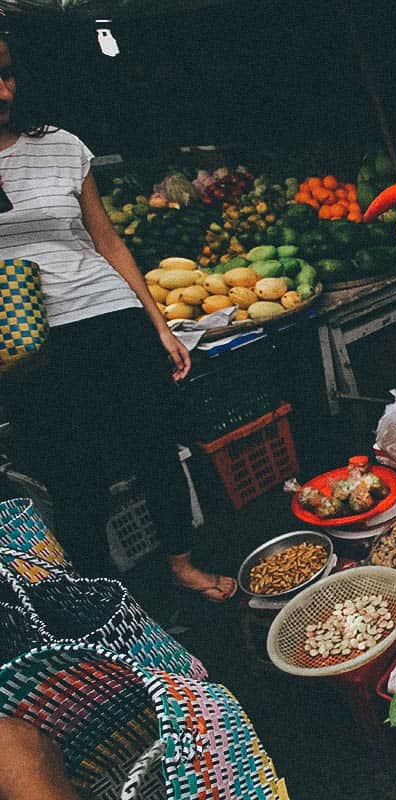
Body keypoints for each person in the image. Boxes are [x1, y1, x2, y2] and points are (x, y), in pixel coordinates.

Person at [0, 35, 235, 601]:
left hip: (107, 315)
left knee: (154, 446)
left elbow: (107, 241)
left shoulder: (60, 146)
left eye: (7, 73)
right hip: (26, 342)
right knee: (72, 475)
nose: (4, 90)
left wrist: (157, 325)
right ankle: (110, 600)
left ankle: (182, 563)